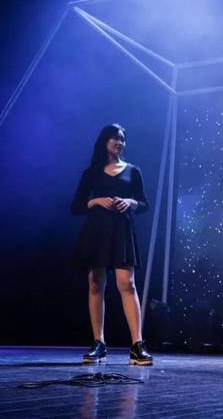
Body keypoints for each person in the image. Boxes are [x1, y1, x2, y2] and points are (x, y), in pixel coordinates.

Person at [71, 123, 152, 366]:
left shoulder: (133, 171)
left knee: (127, 283)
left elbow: (144, 204)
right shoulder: (92, 173)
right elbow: (76, 207)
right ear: (104, 141)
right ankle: (99, 343)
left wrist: (130, 202)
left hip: (122, 230)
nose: (119, 142)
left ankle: (137, 344)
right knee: (96, 284)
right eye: (115, 138)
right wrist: (97, 201)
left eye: (122, 139)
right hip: (97, 230)